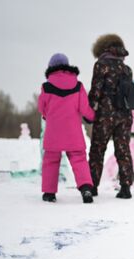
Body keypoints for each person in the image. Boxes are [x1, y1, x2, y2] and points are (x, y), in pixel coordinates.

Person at [38, 53, 95, 203]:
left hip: (53, 132)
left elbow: (41, 107)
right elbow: (84, 108)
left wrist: (47, 116)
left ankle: (49, 193)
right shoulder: (78, 86)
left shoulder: (46, 87)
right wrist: (92, 117)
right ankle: (86, 189)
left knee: (50, 160)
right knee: (79, 159)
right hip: (73, 132)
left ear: (51, 67)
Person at [88, 34, 134, 199]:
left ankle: (92, 186)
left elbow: (96, 91)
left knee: (97, 150)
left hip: (105, 116)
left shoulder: (101, 65)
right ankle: (126, 187)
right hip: (124, 115)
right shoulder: (126, 69)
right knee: (123, 150)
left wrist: (88, 110)